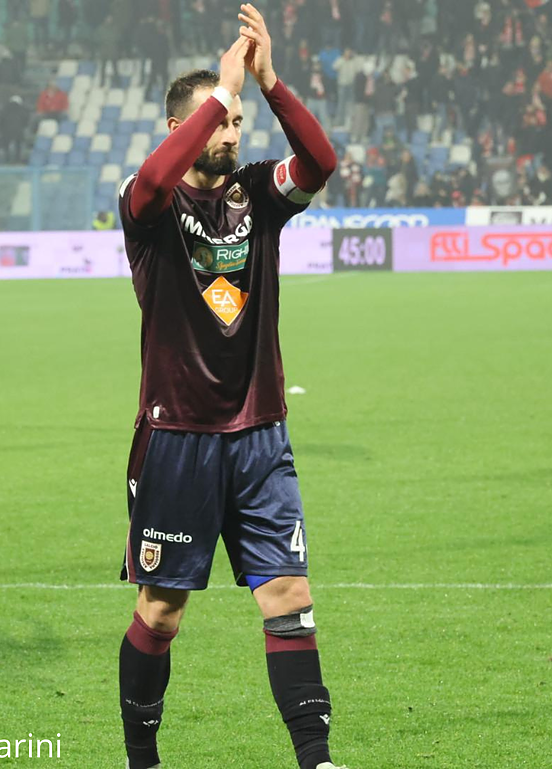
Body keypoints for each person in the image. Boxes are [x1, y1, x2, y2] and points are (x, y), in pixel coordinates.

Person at [115, 5, 343, 769]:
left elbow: (320, 163)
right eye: (221, 122)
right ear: (182, 126)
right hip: (177, 437)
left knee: (289, 598)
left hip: (259, 435)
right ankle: (143, 759)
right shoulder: (148, 204)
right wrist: (221, 91)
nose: (233, 132)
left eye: (239, 123)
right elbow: (156, 176)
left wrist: (267, 82)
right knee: (162, 611)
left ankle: (316, 757)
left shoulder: (257, 196)